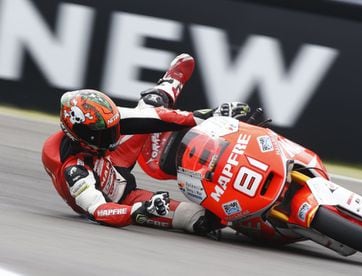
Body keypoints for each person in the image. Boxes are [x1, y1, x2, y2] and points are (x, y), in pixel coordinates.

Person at [42, 53, 250, 234]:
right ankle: (248, 218)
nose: (116, 133)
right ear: (84, 137)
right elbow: (99, 211)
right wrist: (140, 210)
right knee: (198, 220)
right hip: (122, 199)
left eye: (115, 126)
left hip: (113, 159)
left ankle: (169, 83)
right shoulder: (74, 171)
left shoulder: (103, 122)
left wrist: (207, 116)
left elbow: (156, 117)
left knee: (150, 107)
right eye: (108, 133)